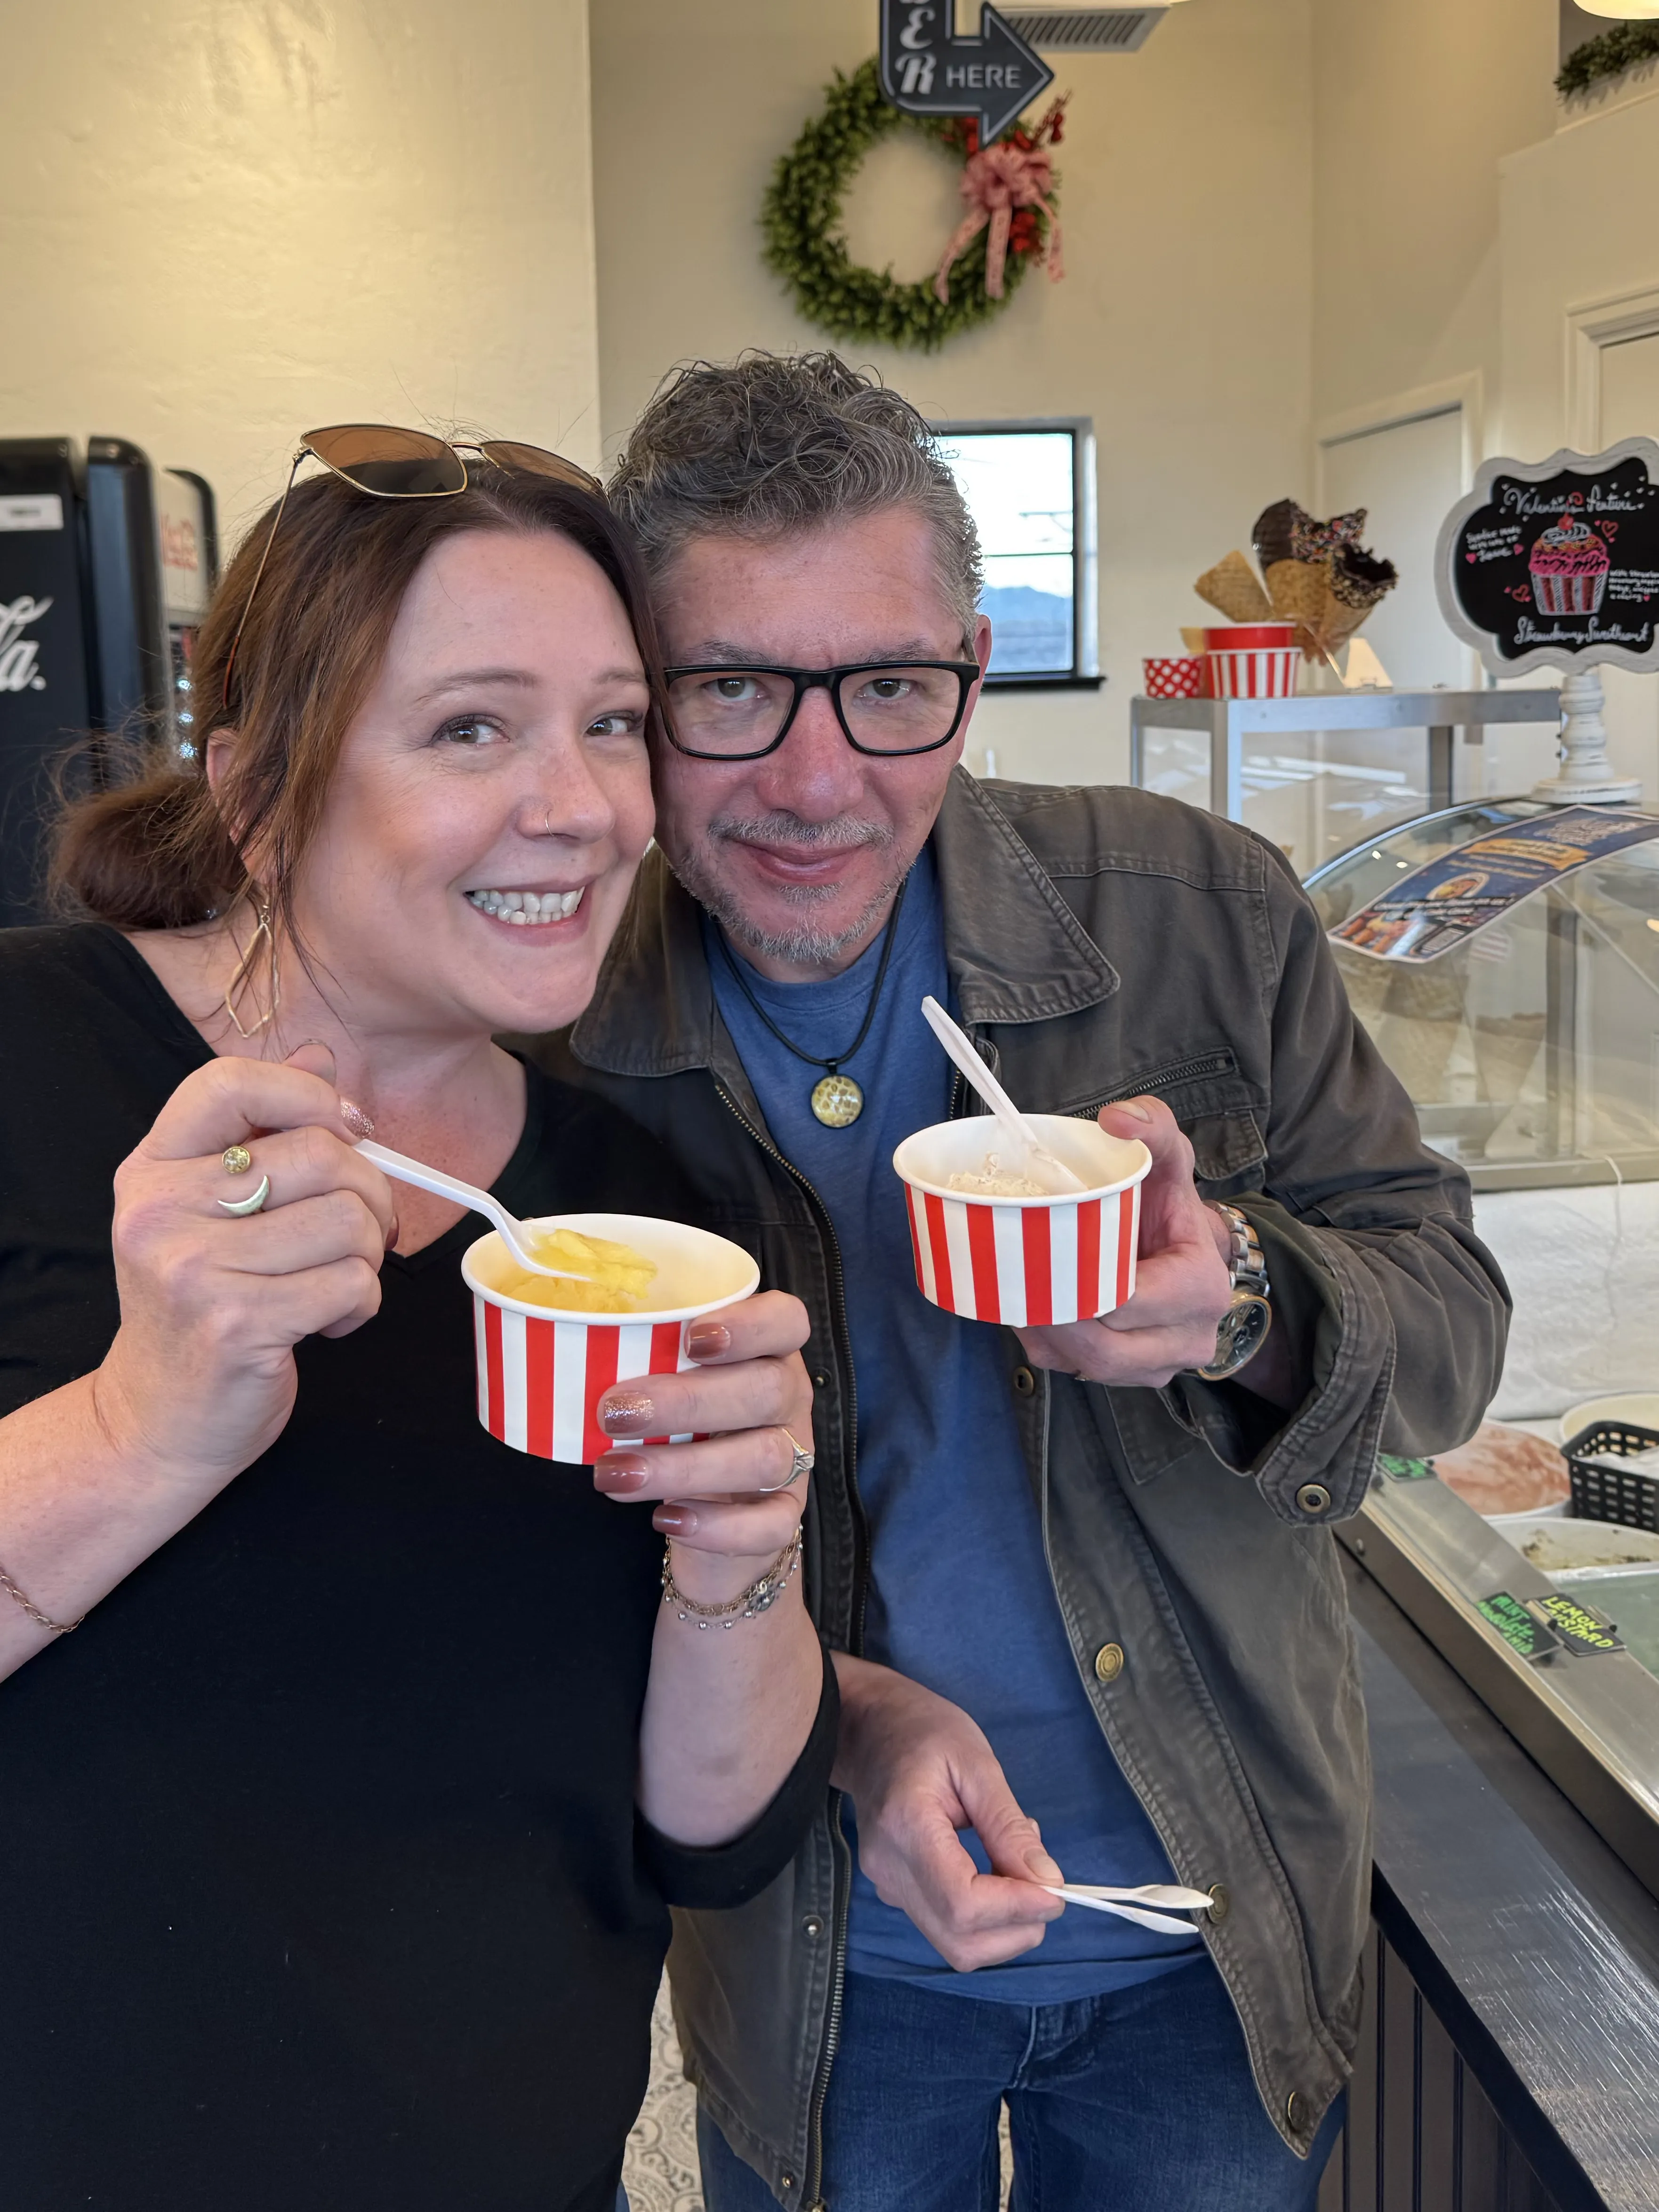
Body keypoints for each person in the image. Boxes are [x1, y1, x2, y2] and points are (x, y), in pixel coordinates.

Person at [529, 355, 1512, 2211]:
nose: (818, 781)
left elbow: (1449, 1318)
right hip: (813, 1956)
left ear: (970, 665)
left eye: (892, 687)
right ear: (631, 703)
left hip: (1211, 1936)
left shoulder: (1194, 912)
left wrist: (1240, 1291)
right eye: (729, 688)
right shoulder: (563, 1017)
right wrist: (840, 1724)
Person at [0, 431, 834, 2212]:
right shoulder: (27, 1063)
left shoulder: (649, 1203)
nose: (587, 805)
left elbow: (711, 1831)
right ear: (256, 791)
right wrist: (143, 1425)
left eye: (615, 723)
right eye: (473, 726)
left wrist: (738, 1556)